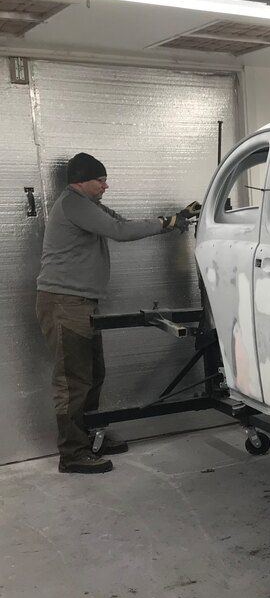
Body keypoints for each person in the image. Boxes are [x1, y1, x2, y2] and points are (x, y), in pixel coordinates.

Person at [35, 152, 201, 474]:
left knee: (93, 375)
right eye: (101, 180)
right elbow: (119, 232)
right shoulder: (73, 203)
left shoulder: (88, 206)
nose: (106, 185)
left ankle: (90, 435)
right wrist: (169, 223)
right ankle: (72, 453)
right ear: (82, 180)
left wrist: (172, 220)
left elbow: (122, 224)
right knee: (74, 381)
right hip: (63, 304)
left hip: (79, 304)